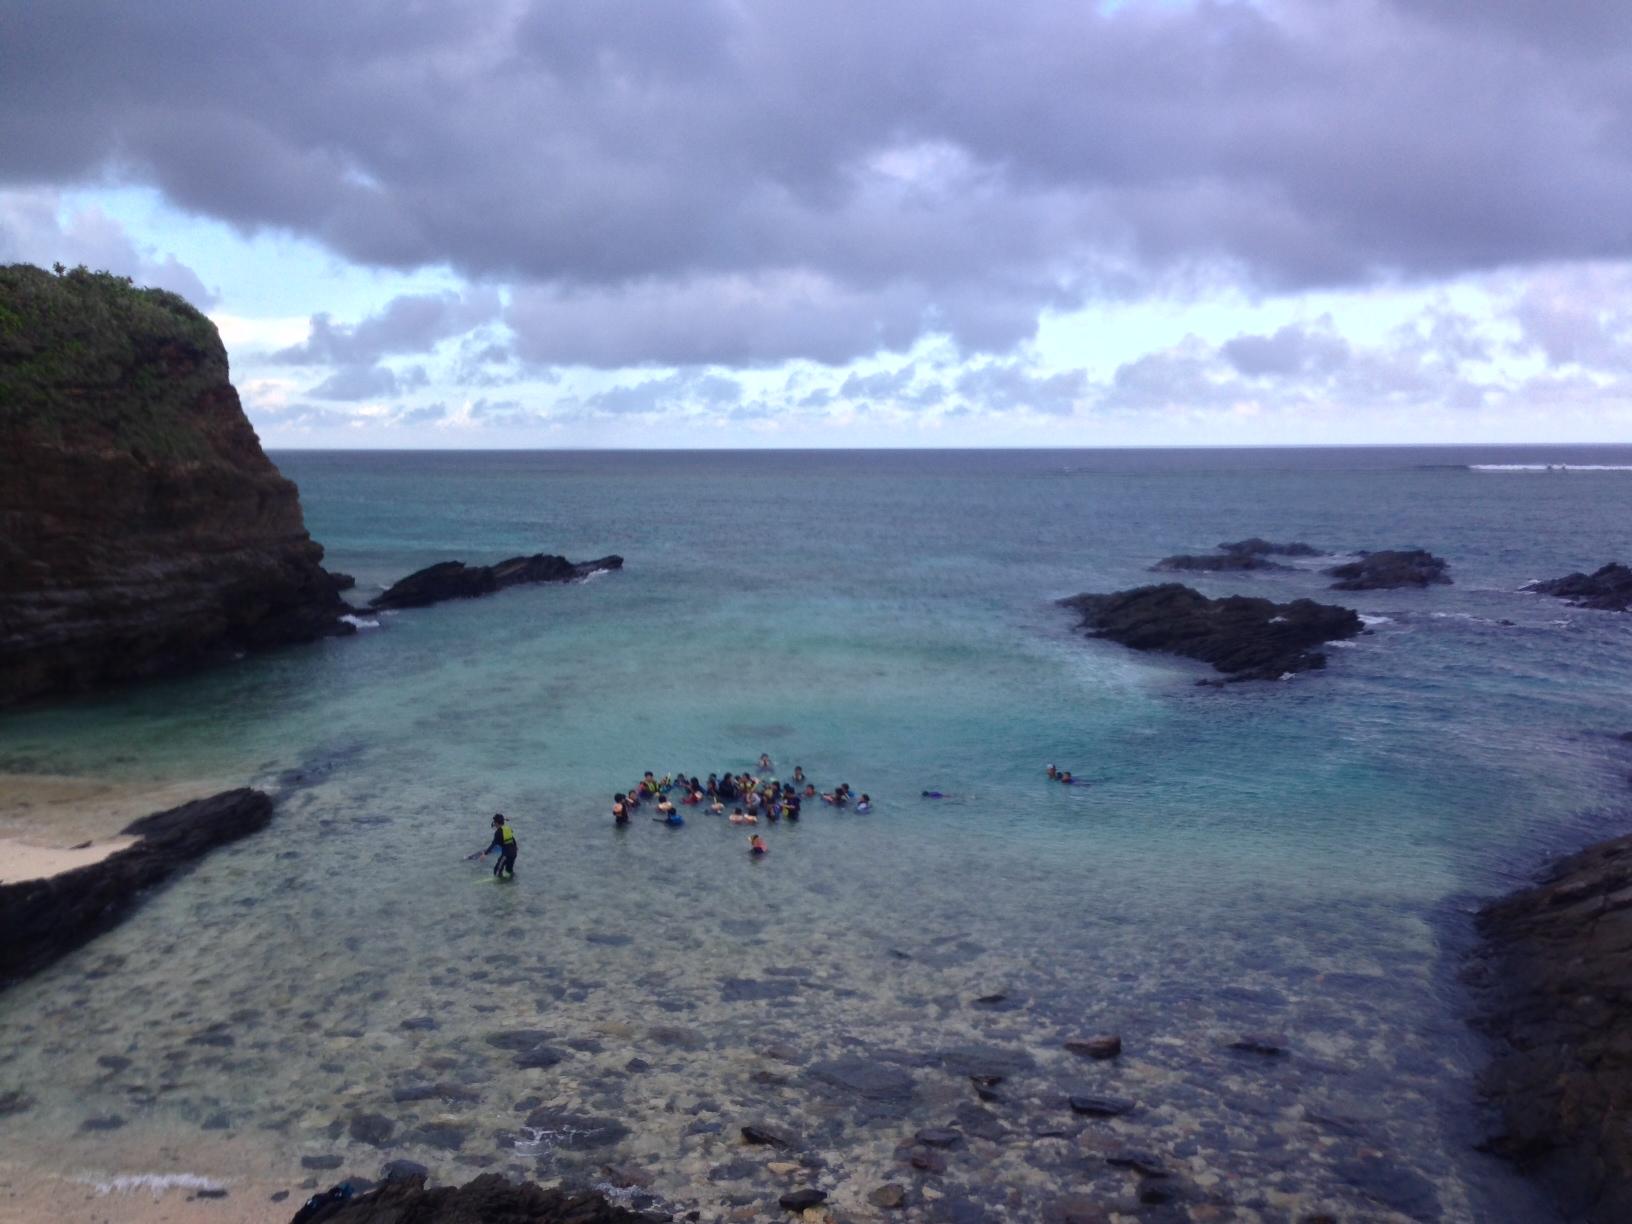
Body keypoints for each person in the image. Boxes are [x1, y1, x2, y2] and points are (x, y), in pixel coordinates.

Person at [472, 813, 517, 878]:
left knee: (497, 870)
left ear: (496, 823)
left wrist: (484, 854)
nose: (494, 823)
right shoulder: (507, 828)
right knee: (508, 869)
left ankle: (498, 881)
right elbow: (512, 839)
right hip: (514, 852)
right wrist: (516, 847)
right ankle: (512, 880)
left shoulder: (498, 832)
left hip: (507, 854)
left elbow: (493, 844)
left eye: (494, 822)